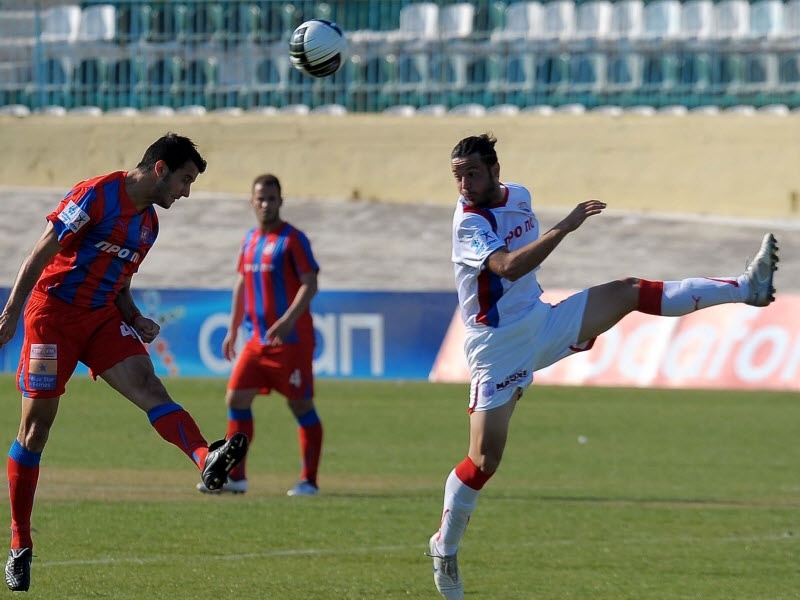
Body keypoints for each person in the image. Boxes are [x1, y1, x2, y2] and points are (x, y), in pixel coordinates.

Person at [426, 133, 779, 600]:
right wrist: (566, 227)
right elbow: (508, 267)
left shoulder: (520, 195)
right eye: (457, 175)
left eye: (471, 172)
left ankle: (745, 287)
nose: (464, 184)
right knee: (484, 461)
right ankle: (444, 548)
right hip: (495, 347)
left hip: (542, 319)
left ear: (494, 169)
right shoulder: (468, 222)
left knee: (629, 290)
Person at [0, 133, 249, 593]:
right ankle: (19, 544)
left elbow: (118, 279)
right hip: (51, 317)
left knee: (150, 388)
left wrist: (134, 317)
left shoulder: (149, 226)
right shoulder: (96, 194)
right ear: (160, 169)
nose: (187, 192)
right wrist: (12, 312)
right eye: (185, 179)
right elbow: (42, 251)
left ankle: (205, 457)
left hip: (99, 319)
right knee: (34, 432)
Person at [195, 173, 322, 497]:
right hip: (255, 341)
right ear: (252, 202)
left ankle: (309, 481)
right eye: (260, 198)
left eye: (271, 198)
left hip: (290, 342)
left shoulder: (293, 240)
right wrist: (233, 328)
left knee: (301, 406)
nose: (265, 204)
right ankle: (236, 477)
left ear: (281, 201)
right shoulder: (250, 239)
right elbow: (241, 284)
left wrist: (289, 319)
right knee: (235, 398)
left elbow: (310, 282)